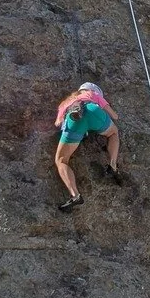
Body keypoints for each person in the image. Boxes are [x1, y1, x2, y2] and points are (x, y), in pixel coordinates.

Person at [53, 81, 119, 211]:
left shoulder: (67, 102)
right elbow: (114, 116)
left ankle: (75, 195)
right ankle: (113, 165)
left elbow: (58, 123)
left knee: (61, 160)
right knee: (113, 133)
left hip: (74, 118)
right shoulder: (93, 95)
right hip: (94, 112)